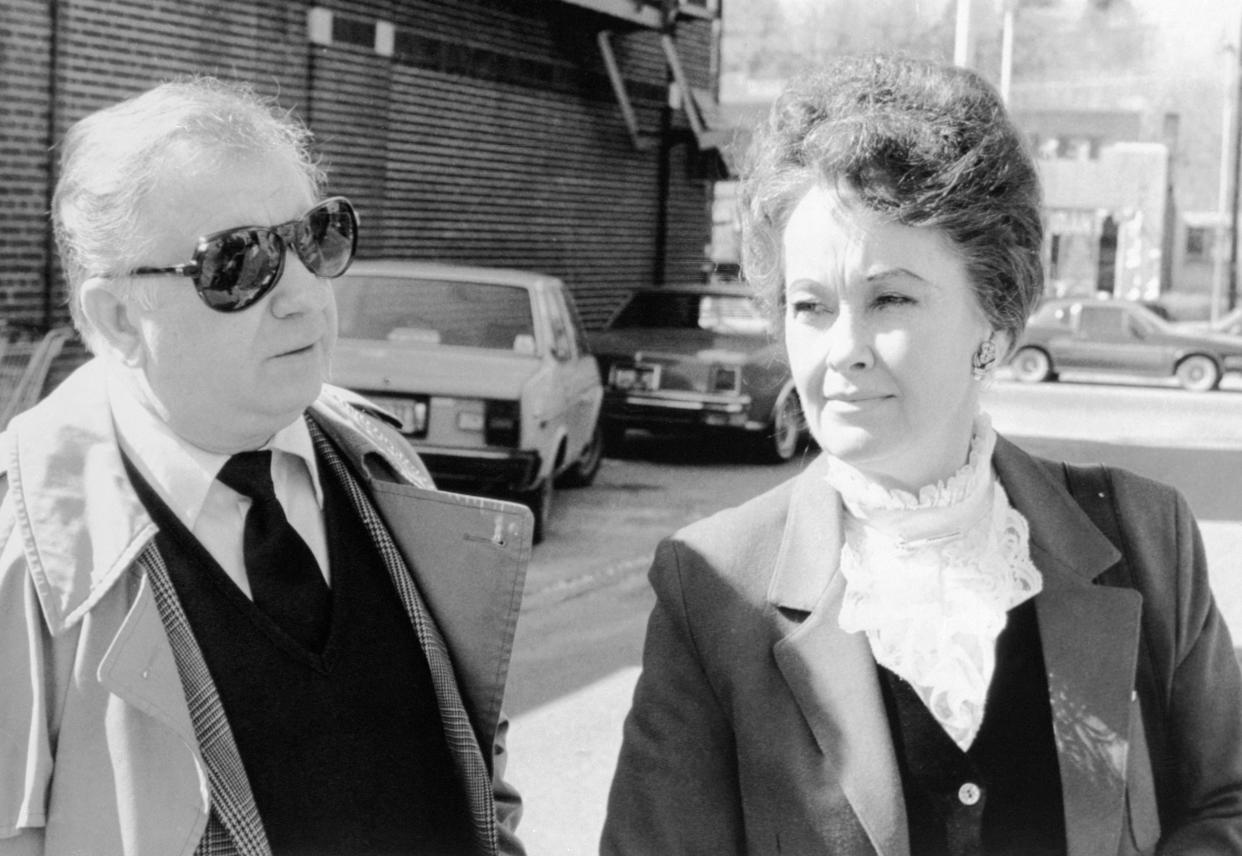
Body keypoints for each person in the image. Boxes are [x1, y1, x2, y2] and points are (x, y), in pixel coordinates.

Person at [602, 54, 1242, 855]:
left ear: (996, 321)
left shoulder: (1147, 538)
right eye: (810, 306)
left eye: (890, 299)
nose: (843, 351)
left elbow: (1229, 803)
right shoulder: (713, 586)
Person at [0, 78, 530, 855]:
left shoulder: (377, 458)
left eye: (317, 236)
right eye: (238, 263)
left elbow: (474, 774)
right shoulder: (25, 561)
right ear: (118, 318)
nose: (305, 295)